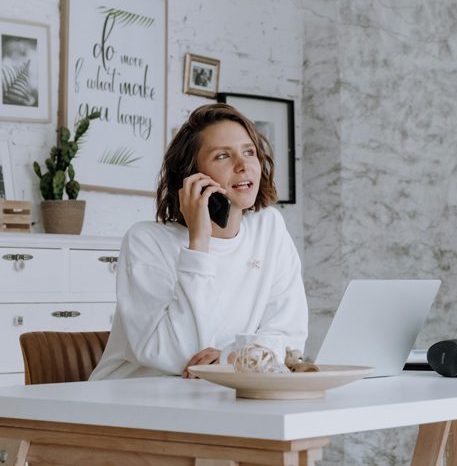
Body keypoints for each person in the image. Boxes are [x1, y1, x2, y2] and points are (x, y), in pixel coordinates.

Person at [89, 103, 308, 380]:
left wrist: (230, 358)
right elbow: (179, 355)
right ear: (192, 175)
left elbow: (289, 338)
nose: (243, 166)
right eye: (222, 156)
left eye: (249, 152)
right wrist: (199, 242)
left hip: (218, 393)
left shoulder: (270, 228)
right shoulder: (145, 241)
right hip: (133, 398)